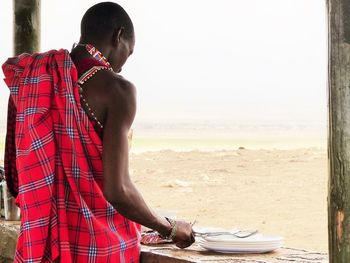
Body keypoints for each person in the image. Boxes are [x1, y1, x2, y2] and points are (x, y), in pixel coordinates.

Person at [2, 2, 195, 262]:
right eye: (130, 51)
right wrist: (170, 228)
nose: (124, 63)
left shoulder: (34, 78)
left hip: (44, 241)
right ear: (119, 36)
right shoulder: (118, 90)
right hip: (97, 245)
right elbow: (118, 190)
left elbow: (15, 178)